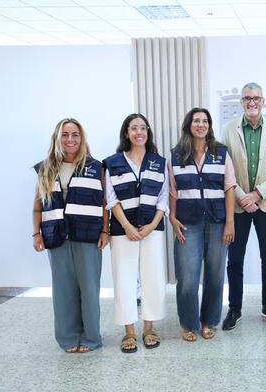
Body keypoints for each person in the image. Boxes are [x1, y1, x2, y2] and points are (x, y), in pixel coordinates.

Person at [32, 118, 108, 353]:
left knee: (89, 289)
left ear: (81, 138)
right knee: (63, 289)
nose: (70, 139)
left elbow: (105, 202)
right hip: (56, 235)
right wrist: (36, 233)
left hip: (88, 236)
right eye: (65, 134)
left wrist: (105, 231)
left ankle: (91, 338)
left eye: (75, 134)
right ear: (57, 138)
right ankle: (68, 337)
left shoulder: (96, 167)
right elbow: (37, 204)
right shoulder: (46, 168)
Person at [221, 82, 266, 330]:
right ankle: (234, 308)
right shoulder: (229, 130)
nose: (252, 102)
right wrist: (243, 197)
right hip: (238, 206)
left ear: (263, 101)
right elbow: (225, 168)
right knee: (234, 260)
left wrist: (258, 194)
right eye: (247, 98)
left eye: (256, 98)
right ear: (241, 102)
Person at [169, 108, 236, 342]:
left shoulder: (221, 152)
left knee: (215, 276)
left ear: (209, 125)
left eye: (205, 121)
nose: (201, 124)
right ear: (189, 125)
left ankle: (209, 321)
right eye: (196, 120)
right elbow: (172, 191)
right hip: (188, 224)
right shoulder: (176, 155)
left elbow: (229, 187)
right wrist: (172, 218)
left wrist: (230, 222)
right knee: (187, 278)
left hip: (217, 223)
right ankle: (189, 323)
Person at [104, 113, 168, 353]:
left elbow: (163, 198)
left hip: (152, 229)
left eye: (143, 128)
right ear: (126, 132)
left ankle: (149, 328)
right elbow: (110, 198)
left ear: (148, 132)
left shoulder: (159, 162)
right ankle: (129, 331)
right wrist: (127, 226)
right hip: (123, 230)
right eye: (134, 128)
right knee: (124, 279)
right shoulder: (112, 162)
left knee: (153, 278)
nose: (139, 132)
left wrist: (151, 225)